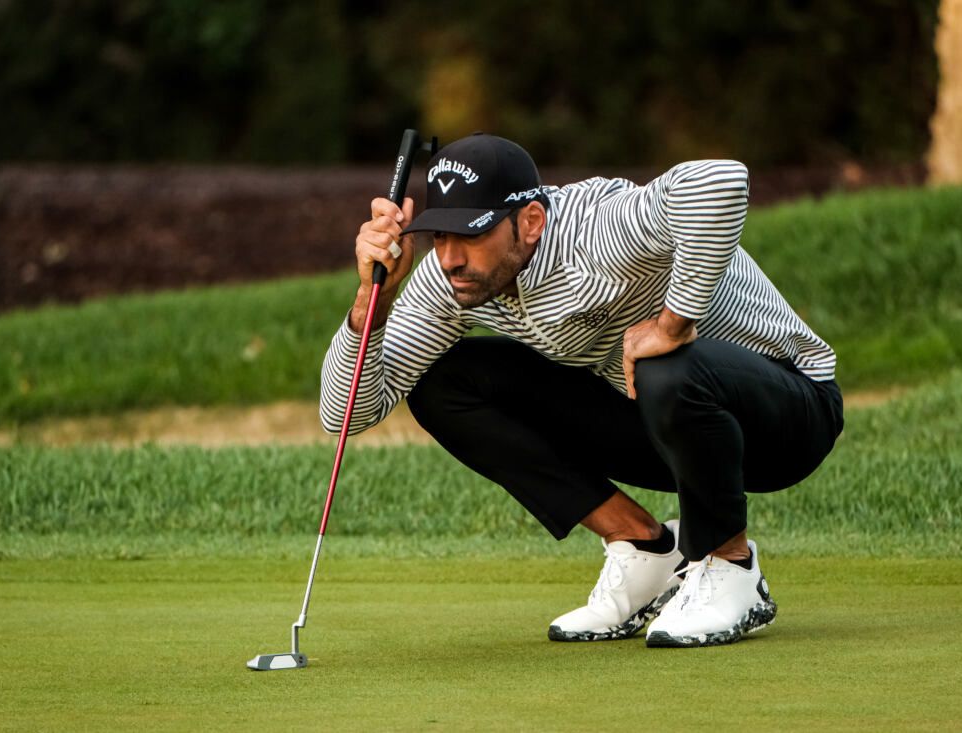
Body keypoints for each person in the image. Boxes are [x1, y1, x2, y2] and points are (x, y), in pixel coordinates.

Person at [320, 133, 843, 648]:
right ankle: (642, 544)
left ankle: (730, 564)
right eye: (440, 236)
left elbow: (719, 181)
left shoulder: (598, 230)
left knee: (666, 362)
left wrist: (674, 324)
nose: (452, 257)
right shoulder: (455, 280)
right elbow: (344, 416)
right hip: (673, 430)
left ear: (530, 221)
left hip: (790, 418)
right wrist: (373, 304)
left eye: (472, 234)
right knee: (442, 384)